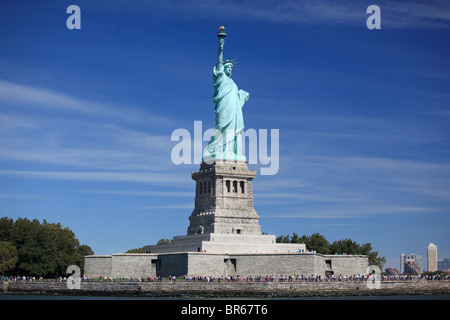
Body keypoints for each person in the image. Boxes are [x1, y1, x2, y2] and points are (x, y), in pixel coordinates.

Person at [204, 31, 249, 162]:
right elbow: (219, 61)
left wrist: (242, 98)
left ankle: (229, 152)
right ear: (222, 69)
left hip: (233, 112)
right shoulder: (220, 78)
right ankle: (216, 151)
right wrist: (221, 45)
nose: (230, 69)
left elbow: (236, 103)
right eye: (227, 67)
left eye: (231, 68)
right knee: (222, 128)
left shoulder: (234, 84)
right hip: (223, 109)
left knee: (232, 129)